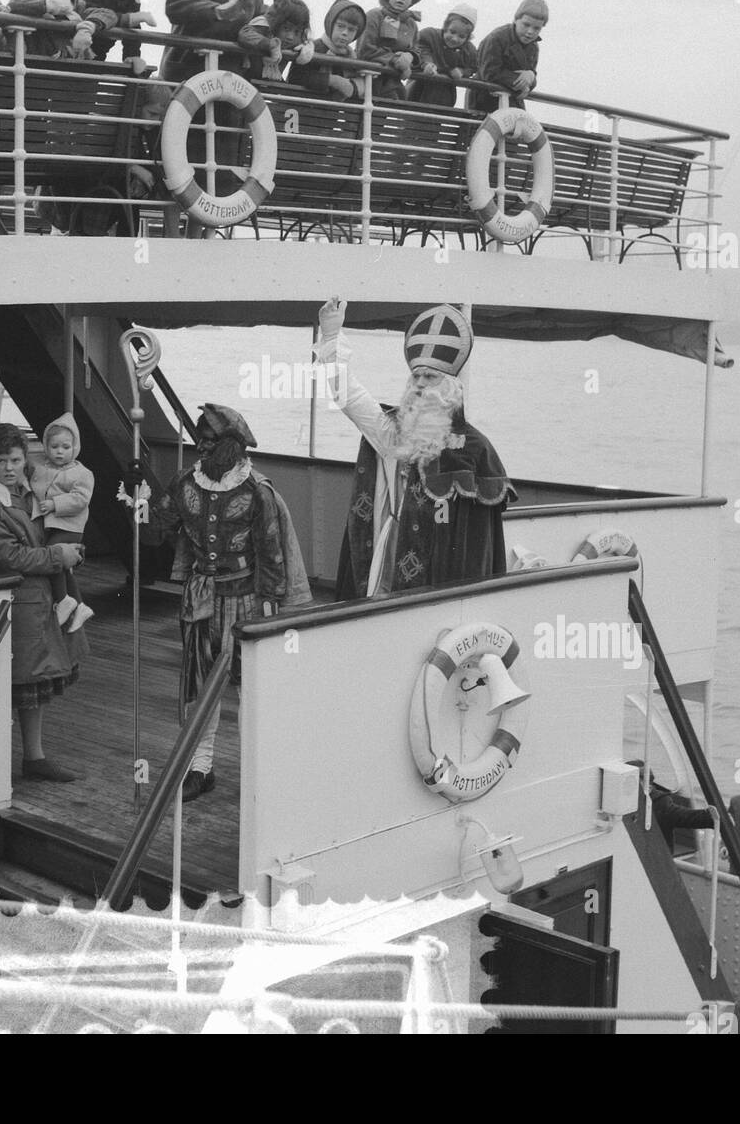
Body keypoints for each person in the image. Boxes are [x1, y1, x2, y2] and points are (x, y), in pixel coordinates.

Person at [153, 404, 310, 801]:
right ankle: (200, 767)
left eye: (209, 441)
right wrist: (142, 500)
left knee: (248, 687)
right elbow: (163, 525)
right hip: (200, 601)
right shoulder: (185, 482)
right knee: (198, 686)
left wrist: (271, 607)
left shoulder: (257, 491)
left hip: (246, 600)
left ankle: (256, 771)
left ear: (232, 447)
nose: (200, 448)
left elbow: (271, 553)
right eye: (199, 440)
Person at [315, 298, 514, 599]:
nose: (420, 383)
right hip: (389, 551)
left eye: (430, 376)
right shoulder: (393, 432)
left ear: (450, 387)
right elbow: (350, 399)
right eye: (416, 376)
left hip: (443, 567)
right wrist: (331, 337)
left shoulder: (474, 448)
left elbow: (473, 538)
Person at [0, 422, 88, 783]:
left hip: (38, 598)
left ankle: (33, 757)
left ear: (25, 460)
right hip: (10, 599)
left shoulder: (28, 489)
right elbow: (10, 556)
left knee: (32, 684)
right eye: (1, 460)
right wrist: (58, 555)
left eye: (16, 459)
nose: (8, 467)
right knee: (10, 685)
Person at [29, 412, 95, 632]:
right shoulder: (42, 467)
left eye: (65, 447)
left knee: (53, 556)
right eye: (54, 446)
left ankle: (64, 599)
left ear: (74, 447)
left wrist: (55, 503)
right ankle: (80, 605)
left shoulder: (82, 473)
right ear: (46, 446)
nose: (59, 451)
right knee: (63, 567)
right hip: (53, 525)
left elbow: (81, 499)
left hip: (70, 526)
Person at [356, 0, 424, 100]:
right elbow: (365, 50)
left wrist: (410, 57)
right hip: (368, 82)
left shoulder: (411, 25)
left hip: (392, 85)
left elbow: (416, 50)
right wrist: (395, 59)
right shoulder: (374, 16)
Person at [475, 0, 548, 113]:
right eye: (526, 25)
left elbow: (531, 74)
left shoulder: (533, 47)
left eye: (536, 28)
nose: (530, 32)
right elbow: (489, 73)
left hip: (513, 103)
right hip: (484, 102)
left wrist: (531, 77)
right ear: (515, 19)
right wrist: (522, 82)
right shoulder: (496, 38)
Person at [286, 0, 367, 100]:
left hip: (331, 113)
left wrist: (352, 87)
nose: (345, 33)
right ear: (330, 24)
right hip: (303, 109)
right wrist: (332, 80)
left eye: (351, 30)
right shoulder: (314, 48)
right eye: (340, 26)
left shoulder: (352, 58)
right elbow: (295, 77)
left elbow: (358, 85)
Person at [627, 759, 717, 846]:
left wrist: (712, 817)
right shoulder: (622, 800)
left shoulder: (659, 804)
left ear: (648, 786)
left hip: (655, 856)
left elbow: (686, 817)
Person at [408, 4, 480, 108]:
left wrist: (461, 71)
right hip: (418, 90)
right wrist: (427, 64)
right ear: (445, 26)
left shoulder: (469, 51)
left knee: (438, 119)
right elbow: (420, 48)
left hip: (444, 96)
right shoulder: (430, 35)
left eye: (461, 36)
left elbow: (473, 67)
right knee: (411, 118)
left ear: (467, 37)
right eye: (452, 32)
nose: (454, 39)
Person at [239, 0, 315, 81]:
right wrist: (271, 44)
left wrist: (307, 48)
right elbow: (244, 34)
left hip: (272, 82)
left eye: (297, 32)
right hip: (245, 81)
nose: (290, 37)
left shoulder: (297, 38)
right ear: (277, 23)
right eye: (286, 29)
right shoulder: (263, 24)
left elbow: (305, 41)